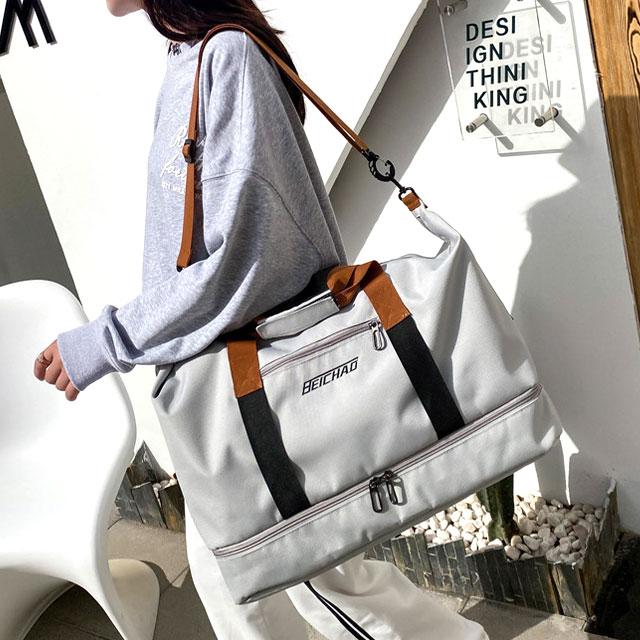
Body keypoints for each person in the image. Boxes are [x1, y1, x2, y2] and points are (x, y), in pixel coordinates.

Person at [33, 1, 490, 638]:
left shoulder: (228, 57)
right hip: (217, 396)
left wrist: (107, 342)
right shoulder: (188, 54)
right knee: (239, 588)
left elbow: (244, 263)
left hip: (262, 394)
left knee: (327, 587)